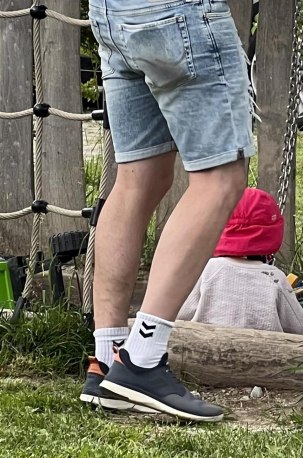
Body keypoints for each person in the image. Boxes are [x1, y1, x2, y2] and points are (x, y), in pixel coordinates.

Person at [79, 0, 253, 422]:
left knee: (140, 178)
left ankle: (108, 360)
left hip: (113, 13)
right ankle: (141, 359)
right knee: (220, 178)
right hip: (180, 13)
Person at [177, 188, 303, 337]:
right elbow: (302, 330)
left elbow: (178, 315)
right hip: (264, 357)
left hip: (205, 355)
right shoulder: (275, 278)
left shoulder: (208, 270)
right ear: (272, 234)